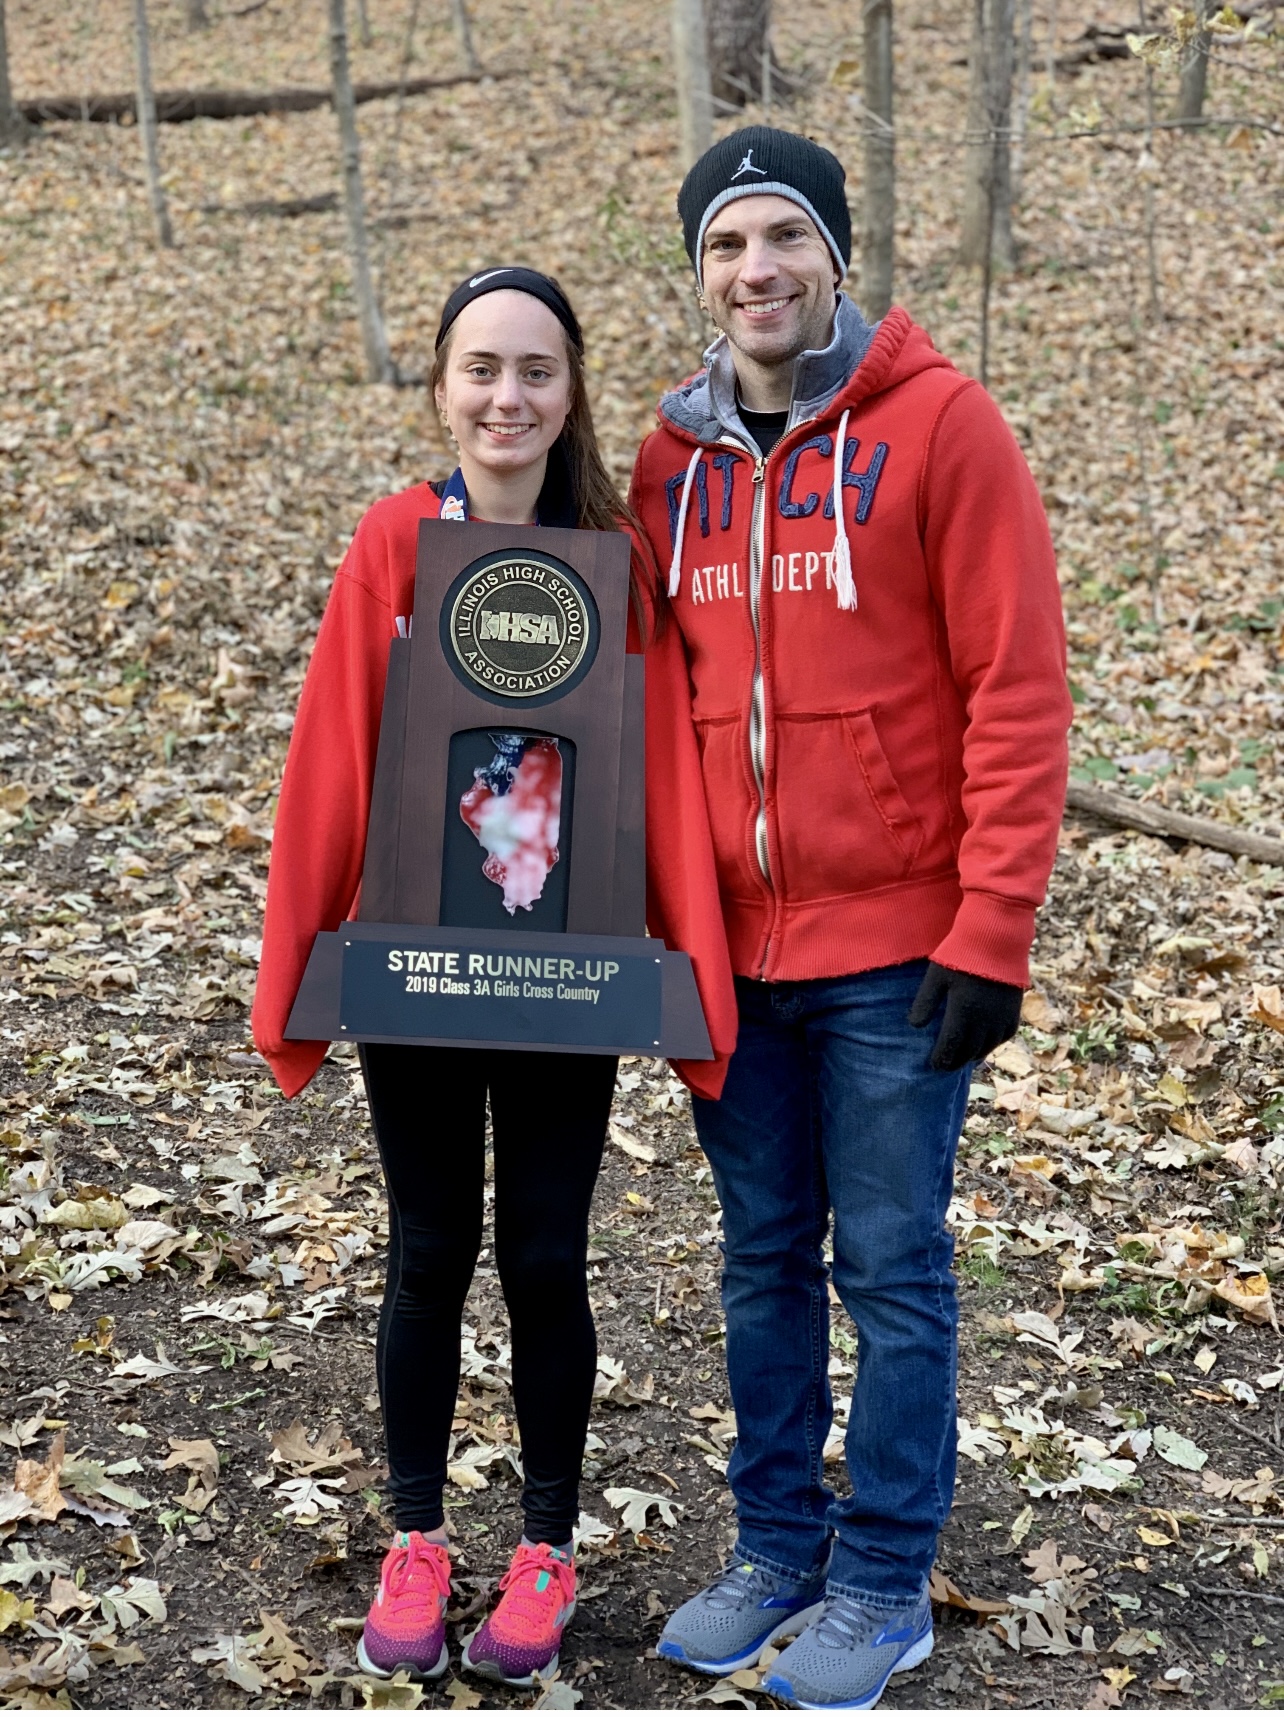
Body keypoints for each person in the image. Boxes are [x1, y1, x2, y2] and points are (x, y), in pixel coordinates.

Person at [631, 129, 1072, 1711]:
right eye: (725, 245)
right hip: (728, 954)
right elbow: (630, 694)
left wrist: (993, 924)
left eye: (783, 238)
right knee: (759, 1257)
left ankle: (883, 1575)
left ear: (835, 254)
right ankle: (777, 1547)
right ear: (700, 273)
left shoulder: (943, 427)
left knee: (889, 1266)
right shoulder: (667, 465)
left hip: (898, 953)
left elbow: (1018, 685)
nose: (755, 269)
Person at [252, 269, 736, 1689]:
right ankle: (416, 1535)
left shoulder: (612, 555)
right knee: (428, 1250)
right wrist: (301, 960)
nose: (507, 397)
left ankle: (544, 1547)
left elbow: (658, 767)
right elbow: (335, 746)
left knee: (542, 1255)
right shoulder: (396, 540)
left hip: (563, 974)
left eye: (536, 370)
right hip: (419, 965)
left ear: (572, 392)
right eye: (481, 369)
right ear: (441, 389)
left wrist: (686, 967)